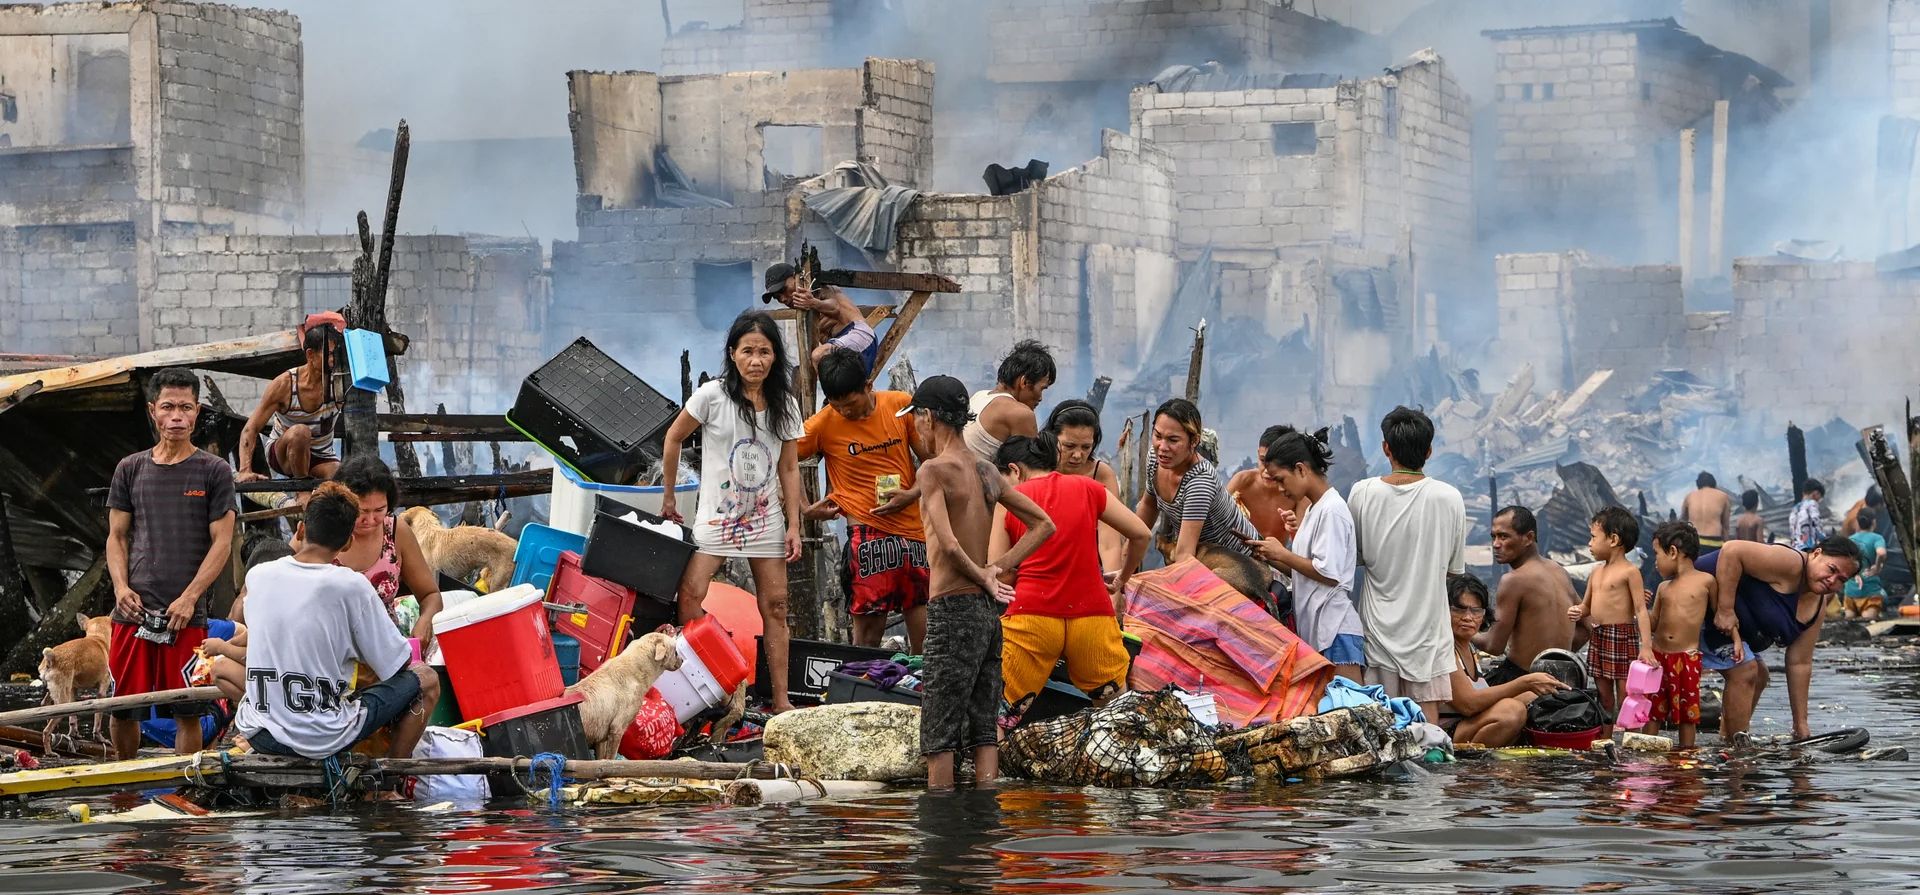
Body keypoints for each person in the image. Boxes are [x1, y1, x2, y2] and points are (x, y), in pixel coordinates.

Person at [902, 375, 1055, 788]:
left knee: (940, 730)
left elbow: (949, 546)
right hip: (987, 614)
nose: (916, 426)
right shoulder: (985, 469)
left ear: (929, 417)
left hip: (953, 608)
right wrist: (997, 568)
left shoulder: (934, 470)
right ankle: (986, 809)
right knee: (984, 720)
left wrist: (988, 575)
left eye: (917, 417)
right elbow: (1043, 524)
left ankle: (941, 827)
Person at [661, 311, 806, 713]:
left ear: (775, 357)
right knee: (690, 594)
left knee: (775, 606)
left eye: (764, 352)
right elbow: (673, 438)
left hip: (766, 521)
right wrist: (670, 496)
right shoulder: (712, 396)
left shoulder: (785, 405)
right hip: (718, 517)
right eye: (748, 351)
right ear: (733, 354)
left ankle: (780, 699)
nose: (756, 360)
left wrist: (795, 524)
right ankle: (709, 682)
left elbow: (789, 467)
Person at [233, 482, 440, 760]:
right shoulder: (351, 585)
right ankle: (391, 778)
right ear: (347, 543)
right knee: (426, 678)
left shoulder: (258, 575)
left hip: (257, 731)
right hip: (319, 738)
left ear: (301, 530)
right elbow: (396, 665)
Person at [105, 367, 236, 760]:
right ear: (152, 411)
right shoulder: (130, 468)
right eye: (168, 407)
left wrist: (190, 597)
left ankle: (183, 790)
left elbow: (223, 542)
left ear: (197, 413)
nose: (176, 416)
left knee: (188, 710)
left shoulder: (214, 471)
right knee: (123, 709)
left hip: (186, 616)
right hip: (134, 613)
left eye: (185, 407)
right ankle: (125, 790)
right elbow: (116, 536)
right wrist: (120, 588)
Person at [989, 434, 1149, 718]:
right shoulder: (1090, 487)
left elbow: (1000, 576)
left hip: (1032, 616)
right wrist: (1122, 577)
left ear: (1014, 470)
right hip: (1092, 617)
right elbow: (1141, 534)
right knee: (1115, 713)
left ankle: (991, 764)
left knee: (1000, 714)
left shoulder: (1008, 501)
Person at [796, 347, 930, 651]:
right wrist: (805, 508)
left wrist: (911, 494)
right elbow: (783, 457)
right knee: (867, 641)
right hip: (867, 538)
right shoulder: (823, 424)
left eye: (851, 404)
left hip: (914, 534)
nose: (845, 412)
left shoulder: (899, 406)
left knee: (923, 639)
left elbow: (931, 462)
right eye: (837, 405)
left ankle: (922, 693)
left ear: (868, 386)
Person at [1347, 406, 1466, 721]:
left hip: (1377, 630)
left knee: (1381, 718)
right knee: (1427, 725)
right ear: (1428, 451)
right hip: (1427, 633)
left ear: (1386, 448)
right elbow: (1454, 570)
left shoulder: (1362, 493)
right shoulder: (1449, 497)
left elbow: (1353, 559)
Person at [1699, 536, 1861, 739]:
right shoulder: (1791, 563)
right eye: (1832, 569)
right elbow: (1732, 550)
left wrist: (1800, 724)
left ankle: (1731, 737)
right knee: (1745, 670)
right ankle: (1734, 749)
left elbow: (1799, 663)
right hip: (1695, 605)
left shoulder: (1817, 607)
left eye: (1841, 580)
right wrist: (1725, 609)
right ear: (1816, 554)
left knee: (1759, 675)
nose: (1832, 581)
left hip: (1729, 630)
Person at [1243, 429, 1364, 682]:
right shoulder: (1313, 511)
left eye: (1281, 479)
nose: (1279, 488)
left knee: (1350, 709)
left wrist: (1282, 554)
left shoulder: (1332, 510)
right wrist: (1270, 555)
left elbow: (1329, 573)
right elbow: (1305, 571)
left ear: (1300, 469)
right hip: (1319, 630)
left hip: (1335, 630)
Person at [1135, 399, 1270, 603]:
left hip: (1238, 566)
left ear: (1194, 441)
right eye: (1158, 436)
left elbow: (1184, 555)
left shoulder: (1199, 481)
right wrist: (1126, 561)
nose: (1162, 447)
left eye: (1173, 440)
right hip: (1200, 557)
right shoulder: (1156, 459)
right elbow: (1147, 506)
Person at [325, 456, 446, 649]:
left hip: (387, 650)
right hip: (330, 650)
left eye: (379, 510)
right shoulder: (321, 531)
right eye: (361, 511)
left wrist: (425, 621)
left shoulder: (396, 531)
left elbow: (430, 595)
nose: (371, 520)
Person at [1439, 574, 1566, 747]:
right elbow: (1468, 704)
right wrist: (1524, 682)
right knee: (1512, 711)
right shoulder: (1444, 648)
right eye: (1459, 609)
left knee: (1532, 697)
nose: (1468, 617)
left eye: (1475, 611)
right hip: (1448, 734)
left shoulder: (1468, 647)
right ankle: (1472, 762)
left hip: (1469, 724)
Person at [1475, 506, 1580, 685]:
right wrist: (1555, 658)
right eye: (1493, 536)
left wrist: (1457, 629)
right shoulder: (1558, 570)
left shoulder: (1513, 580)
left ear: (1529, 538)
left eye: (1504, 536)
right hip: (1563, 677)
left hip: (1522, 677)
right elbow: (1587, 625)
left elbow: (1494, 645)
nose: (1496, 544)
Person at [1568, 506, 1652, 719]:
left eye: (1593, 537)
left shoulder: (1630, 572)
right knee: (1604, 697)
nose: (1589, 543)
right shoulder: (1596, 572)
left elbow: (1641, 610)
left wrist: (1647, 648)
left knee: (1627, 695)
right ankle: (1605, 738)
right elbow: (1587, 605)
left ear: (1613, 539)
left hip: (1623, 636)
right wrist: (1578, 611)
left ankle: (1627, 738)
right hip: (1599, 635)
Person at [236, 324, 343, 483]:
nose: (332, 360)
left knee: (342, 480)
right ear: (310, 355)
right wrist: (245, 470)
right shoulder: (285, 384)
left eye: (335, 355)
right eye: (328, 355)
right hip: (283, 455)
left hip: (321, 456)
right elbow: (251, 429)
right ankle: (301, 489)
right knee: (300, 432)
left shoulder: (340, 383)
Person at [1643, 521, 1714, 749]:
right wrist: (1640, 610)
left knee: (1687, 714)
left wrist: (1733, 639)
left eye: (1656, 554)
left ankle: (1686, 756)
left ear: (1672, 552)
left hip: (1686, 657)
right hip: (1658, 657)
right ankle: (1648, 752)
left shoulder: (1706, 582)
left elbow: (1721, 615)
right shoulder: (1664, 588)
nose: (1655, 561)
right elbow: (1653, 623)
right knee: (1652, 712)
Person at [1045, 400, 1126, 572]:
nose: (1077, 455)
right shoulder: (1037, 470)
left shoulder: (1101, 474)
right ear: (1052, 438)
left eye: (1086, 447)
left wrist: (1113, 589)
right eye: (1069, 446)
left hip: (1085, 567)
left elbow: (1109, 543)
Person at [763, 262, 878, 372]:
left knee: (818, 355)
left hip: (858, 334)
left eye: (783, 290)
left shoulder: (816, 287)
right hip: (845, 354)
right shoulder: (803, 311)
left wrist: (813, 302)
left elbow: (835, 308)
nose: (783, 299)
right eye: (777, 297)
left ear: (795, 277)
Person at [962, 340, 1056, 464]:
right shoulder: (1019, 413)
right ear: (1024, 382)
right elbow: (1031, 471)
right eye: (1042, 389)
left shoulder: (980, 395)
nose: (1040, 398)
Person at [1226, 425, 1310, 543]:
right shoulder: (1242, 481)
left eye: (1276, 463)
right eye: (1263, 460)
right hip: (1241, 556)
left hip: (1277, 559)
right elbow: (1217, 517)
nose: (1268, 470)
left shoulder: (1299, 493)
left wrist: (1294, 529)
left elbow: (1303, 544)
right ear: (1258, 454)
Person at [1843, 512, 1889, 619]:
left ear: (1858, 523)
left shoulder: (1850, 539)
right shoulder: (1877, 538)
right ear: (1874, 522)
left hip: (1850, 592)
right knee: (1868, 620)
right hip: (1870, 593)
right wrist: (1877, 568)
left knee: (1850, 622)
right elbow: (1881, 553)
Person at [1681, 472, 1732, 550]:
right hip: (1714, 542)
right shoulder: (1723, 496)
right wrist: (1726, 547)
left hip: (1694, 542)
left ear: (1698, 484)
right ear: (1714, 483)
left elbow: (1682, 522)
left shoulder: (1689, 496)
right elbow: (1725, 526)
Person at [1788, 478, 1828, 551]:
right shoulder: (1812, 504)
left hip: (1795, 549)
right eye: (1819, 497)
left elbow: (1792, 530)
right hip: (1808, 547)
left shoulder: (1795, 508)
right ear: (1816, 493)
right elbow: (1816, 522)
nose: (1818, 500)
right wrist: (1825, 540)